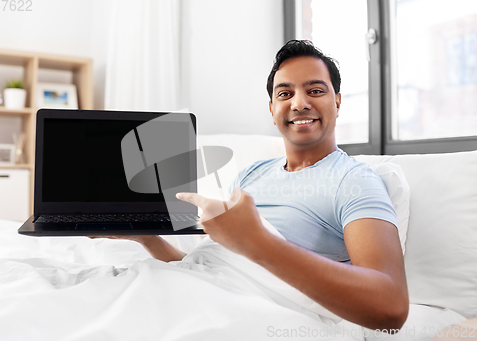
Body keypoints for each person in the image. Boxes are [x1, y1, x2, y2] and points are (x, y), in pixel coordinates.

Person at [117, 40, 409, 332]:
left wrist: (257, 241)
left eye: (315, 91)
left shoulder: (354, 181)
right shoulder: (250, 175)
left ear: (338, 101)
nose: (299, 103)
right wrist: (147, 238)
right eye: (285, 94)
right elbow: (212, 270)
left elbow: (390, 307)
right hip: (191, 294)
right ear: (272, 109)